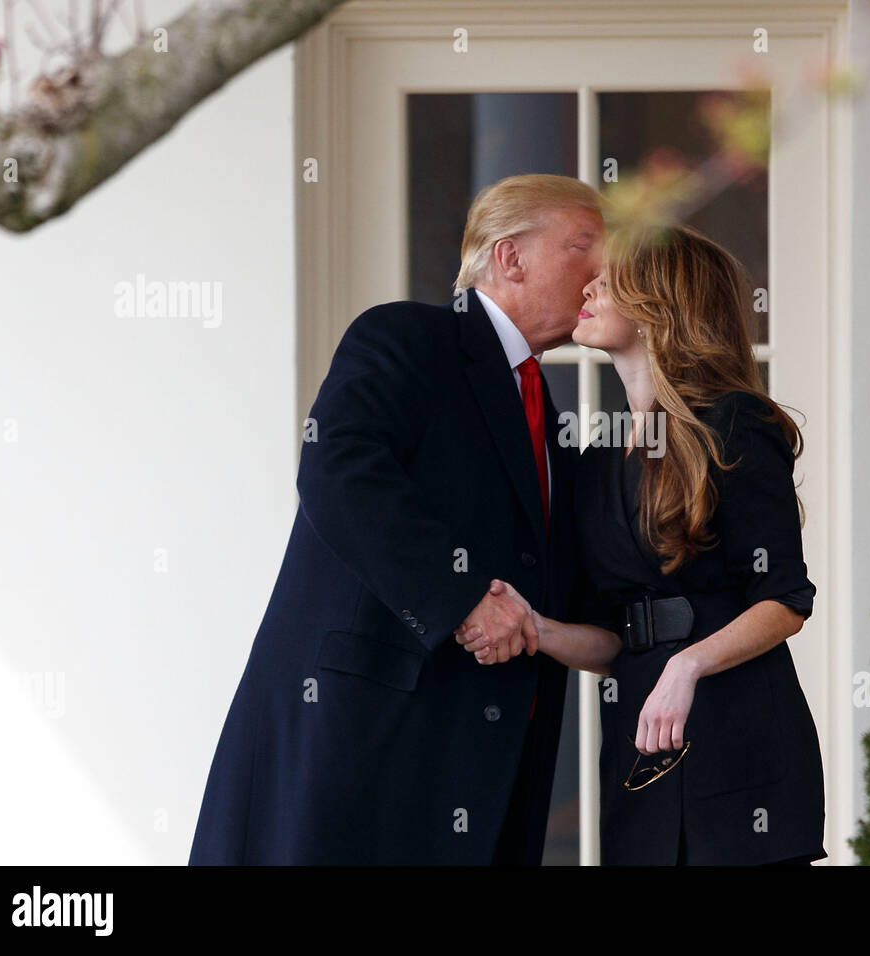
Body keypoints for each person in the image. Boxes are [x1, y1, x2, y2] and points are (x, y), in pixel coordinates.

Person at [188, 173, 605, 864]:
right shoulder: (407, 336)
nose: (601, 272)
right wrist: (461, 600)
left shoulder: (544, 408)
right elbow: (338, 470)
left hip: (481, 765)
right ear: (510, 257)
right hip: (364, 745)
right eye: (582, 246)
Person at [459, 223, 827, 865]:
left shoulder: (734, 423)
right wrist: (536, 629)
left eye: (613, 275)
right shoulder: (597, 463)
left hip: (741, 744)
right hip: (639, 748)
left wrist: (685, 666)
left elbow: (786, 600)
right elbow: (611, 637)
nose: (590, 285)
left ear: (661, 300)